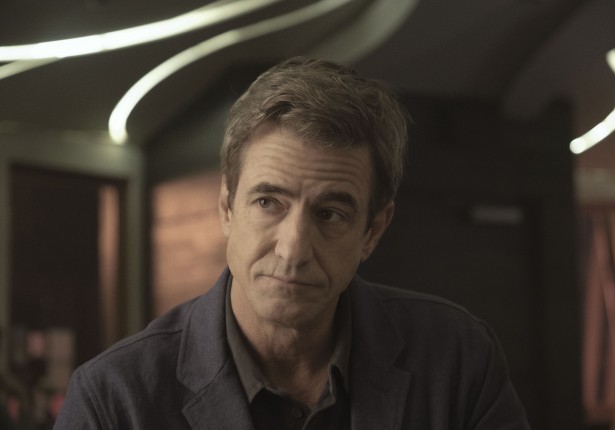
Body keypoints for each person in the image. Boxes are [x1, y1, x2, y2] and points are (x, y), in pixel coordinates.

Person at [54, 57, 531, 429]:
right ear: (226, 208)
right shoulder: (113, 399)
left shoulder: (457, 358)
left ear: (372, 231)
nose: (293, 249)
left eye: (330, 214)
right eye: (268, 203)